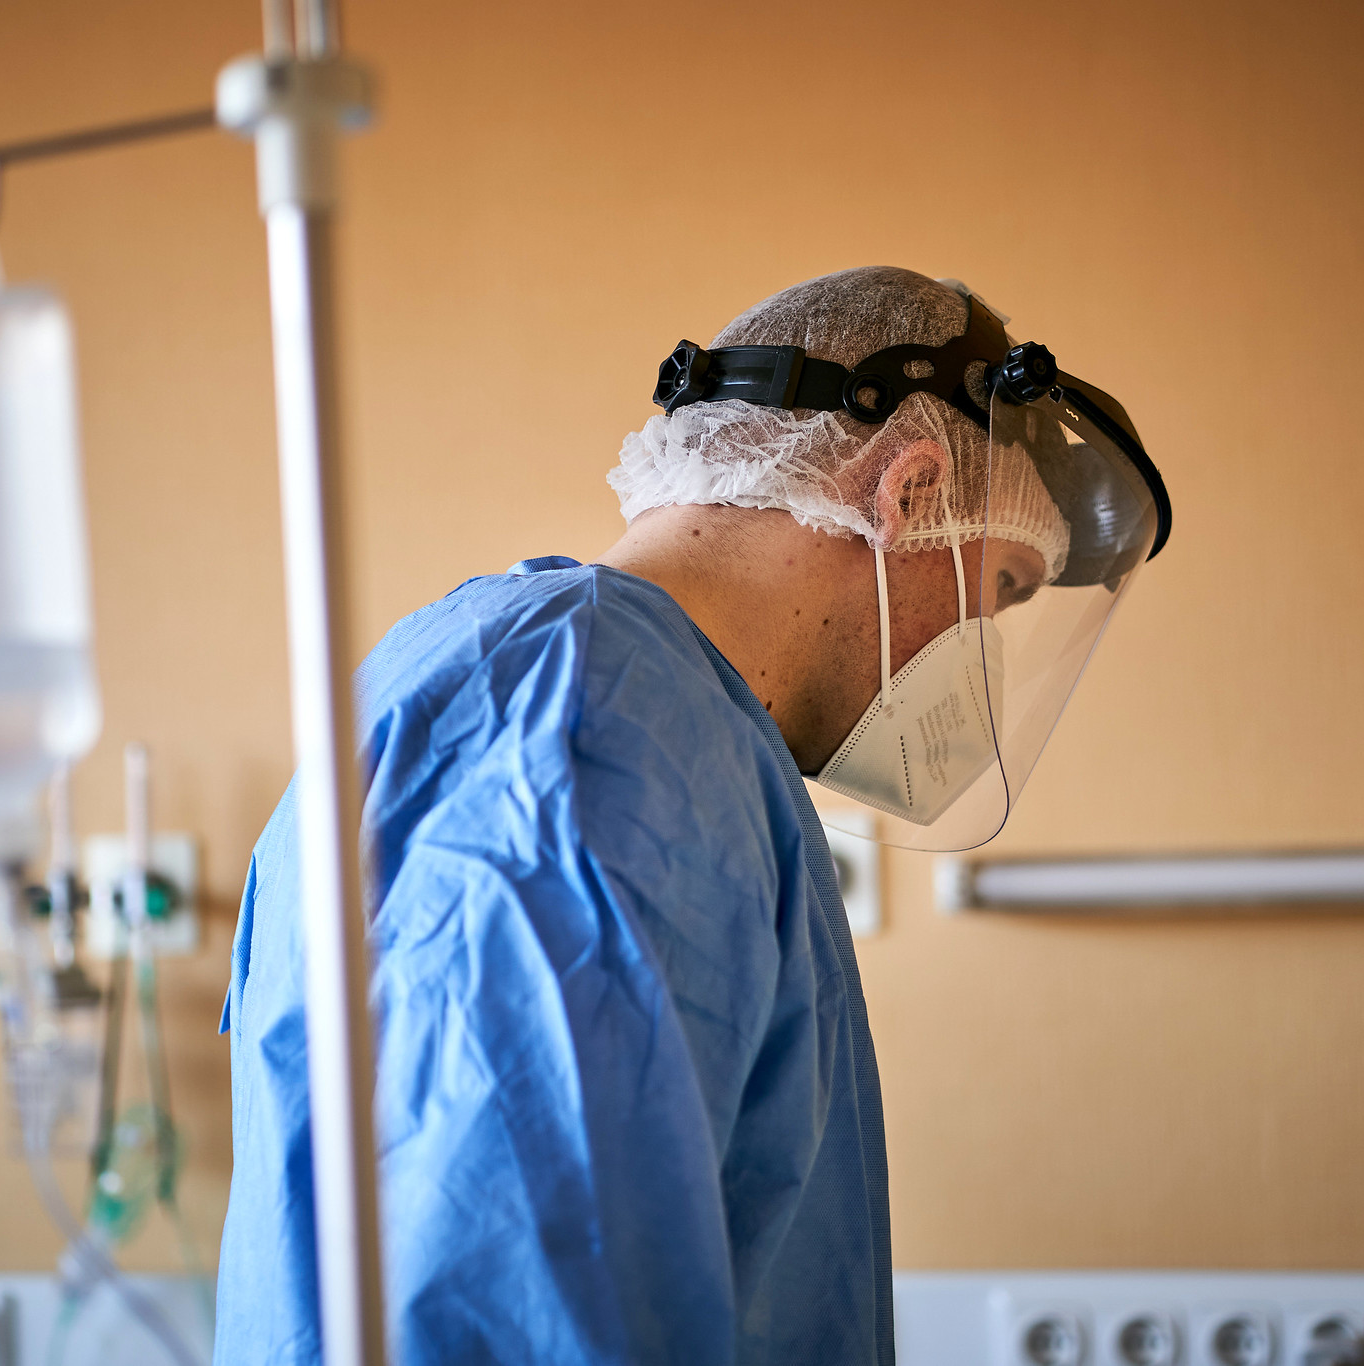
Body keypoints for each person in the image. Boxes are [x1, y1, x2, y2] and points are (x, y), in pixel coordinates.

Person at [215, 267, 1169, 1365]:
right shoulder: (589, 728)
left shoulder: (593, 700)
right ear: (906, 494)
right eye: (998, 591)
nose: (984, 656)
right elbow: (501, 1305)